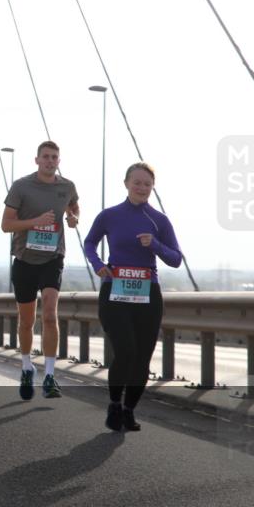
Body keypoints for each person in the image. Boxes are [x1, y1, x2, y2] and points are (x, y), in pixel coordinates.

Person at [83, 162, 183, 432]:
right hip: (115, 291)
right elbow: (89, 242)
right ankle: (114, 404)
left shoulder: (158, 220)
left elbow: (176, 259)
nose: (142, 187)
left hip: (147, 294)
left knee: (142, 358)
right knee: (125, 351)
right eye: (136, 182)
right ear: (126, 183)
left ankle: (129, 411)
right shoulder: (110, 215)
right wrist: (97, 264)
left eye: (147, 184)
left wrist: (156, 244)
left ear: (153, 187)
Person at [1, 140, 80, 400]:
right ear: (37, 160)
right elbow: (6, 225)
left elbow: (74, 206)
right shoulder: (21, 187)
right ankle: (26, 366)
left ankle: (49, 375)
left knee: (49, 314)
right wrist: (36, 222)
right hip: (24, 259)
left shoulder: (66, 186)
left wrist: (73, 218)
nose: (50, 161)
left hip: (52, 258)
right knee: (26, 321)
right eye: (45, 157)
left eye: (54, 157)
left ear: (59, 160)